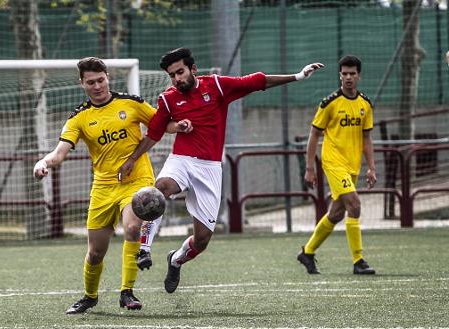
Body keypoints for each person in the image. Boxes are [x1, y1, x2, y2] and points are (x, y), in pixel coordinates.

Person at [118, 47, 323, 293]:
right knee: (159, 191)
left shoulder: (216, 85)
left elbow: (255, 82)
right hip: (181, 160)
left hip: (210, 168)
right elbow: (154, 133)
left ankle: (175, 260)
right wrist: (132, 159)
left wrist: (298, 76)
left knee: (202, 240)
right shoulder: (167, 99)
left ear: (193, 69)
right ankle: (144, 248)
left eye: (180, 72)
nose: (177, 79)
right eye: (172, 75)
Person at [34, 57, 188, 314]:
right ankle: (89, 296)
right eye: (91, 82)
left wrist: (179, 126)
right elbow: (59, 153)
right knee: (95, 253)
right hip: (103, 188)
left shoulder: (131, 103)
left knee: (131, 227)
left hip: (136, 182)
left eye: (101, 80)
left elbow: (161, 125)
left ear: (108, 77)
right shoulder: (79, 118)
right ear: (82, 84)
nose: (97, 86)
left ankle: (127, 292)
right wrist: (44, 162)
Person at [297, 55, 376, 275]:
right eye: (344, 74)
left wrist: (371, 167)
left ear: (359, 75)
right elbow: (313, 135)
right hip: (333, 162)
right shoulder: (329, 103)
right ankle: (358, 260)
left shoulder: (366, 104)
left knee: (336, 214)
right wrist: (310, 168)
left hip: (353, 165)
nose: (348, 77)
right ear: (340, 75)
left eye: (352, 73)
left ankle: (308, 252)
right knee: (355, 205)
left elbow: (367, 138)